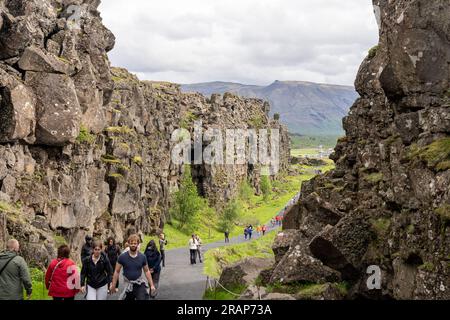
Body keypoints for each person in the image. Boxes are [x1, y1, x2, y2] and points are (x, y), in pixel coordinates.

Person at [110, 234, 156, 300]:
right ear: (128, 244)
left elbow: (147, 271)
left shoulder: (142, 257)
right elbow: (117, 271)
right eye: (131, 243)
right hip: (128, 285)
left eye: (135, 243)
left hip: (139, 283)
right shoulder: (122, 257)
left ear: (138, 244)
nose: (133, 245)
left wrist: (151, 285)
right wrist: (114, 285)